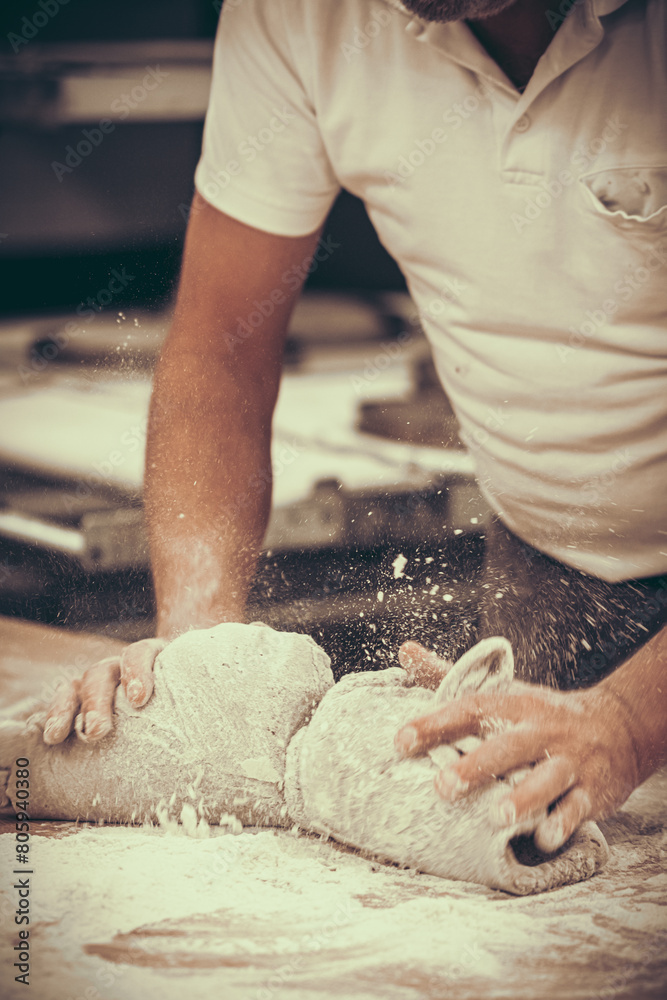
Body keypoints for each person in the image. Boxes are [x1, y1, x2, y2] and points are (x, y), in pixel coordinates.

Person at [42, 0, 667, 856]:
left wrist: (632, 720)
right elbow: (223, 341)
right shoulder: (296, 11)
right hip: (545, 570)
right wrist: (202, 672)